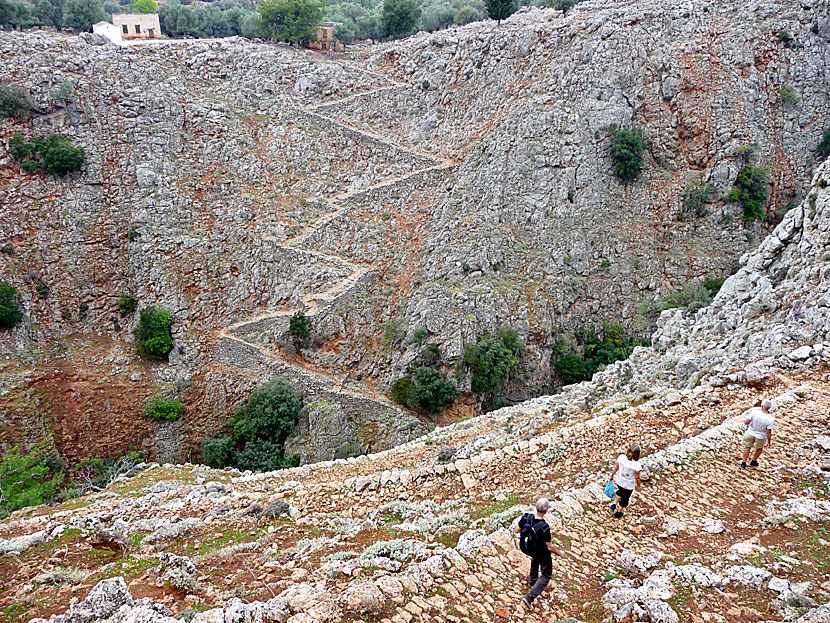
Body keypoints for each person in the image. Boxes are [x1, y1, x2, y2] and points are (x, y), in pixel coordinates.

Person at [513, 497, 556, 613]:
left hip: (527, 548)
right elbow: (549, 546)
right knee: (546, 575)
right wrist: (559, 552)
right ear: (546, 511)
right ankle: (529, 597)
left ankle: (532, 581)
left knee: (535, 558)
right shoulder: (545, 527)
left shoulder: (526, 517)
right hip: (540, 552)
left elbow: (516, 530)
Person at [609, 444, 642, 519]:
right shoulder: (637, 465)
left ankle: (614, 504)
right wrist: (639, 485)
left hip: (620, 481)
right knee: (625, 499)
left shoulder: (621, 458)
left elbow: (616, 468)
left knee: (620, 492)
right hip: (628, 485)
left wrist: (612, 475)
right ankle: (618, 513)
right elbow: (637, 477)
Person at [741, 399, 775, 470]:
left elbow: (746, 422)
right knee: (759, 448)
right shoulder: (770, 419)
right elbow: (768, 431)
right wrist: (769, 442)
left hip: (751, 432)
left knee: (747, 447)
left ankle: (743, 463)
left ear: (762, 406)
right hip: (761, 435)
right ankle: (753, 461)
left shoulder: (754, 412)